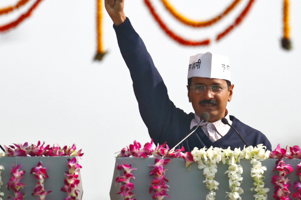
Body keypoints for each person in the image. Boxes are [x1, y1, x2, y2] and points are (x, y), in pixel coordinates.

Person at [105, 0, 272, 151]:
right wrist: (121, 22)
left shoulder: (254, 142)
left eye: (216, 88)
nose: (208, 95)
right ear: (188, 92)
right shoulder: (171, 128)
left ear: (230, 92)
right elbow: (144, 76)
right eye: (199, 87)